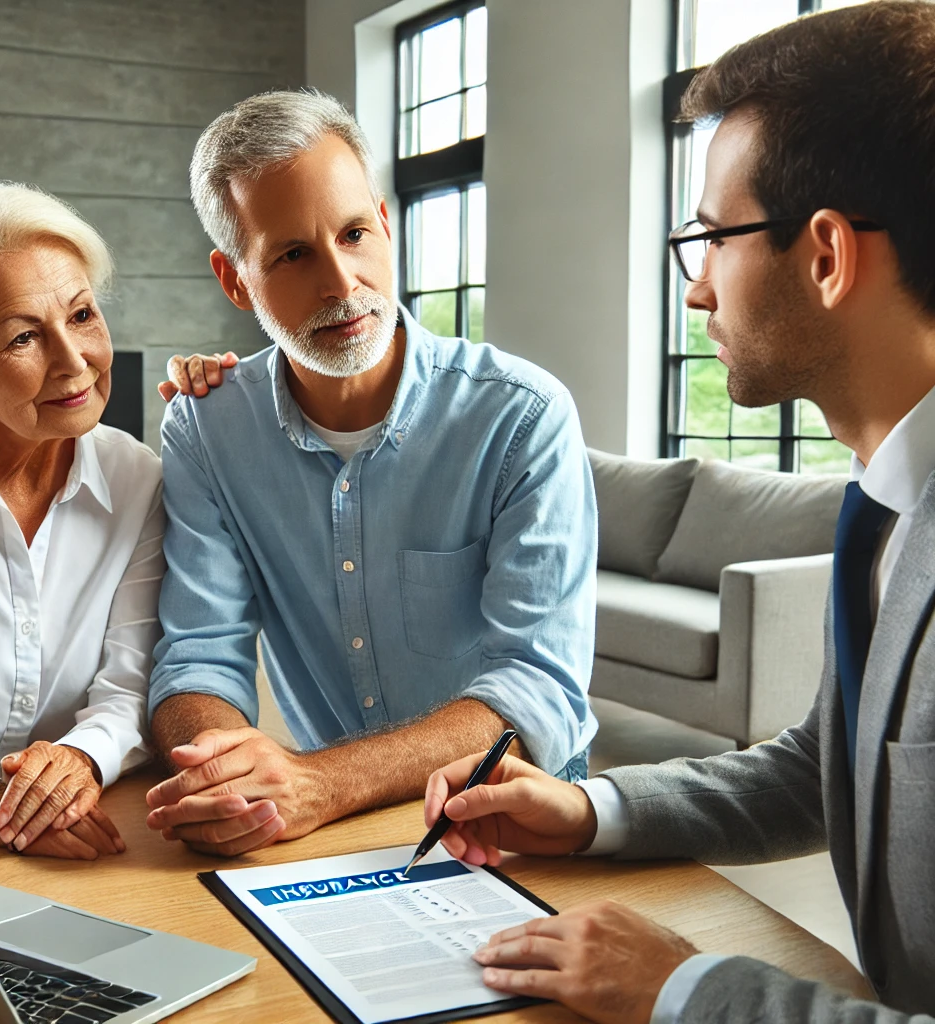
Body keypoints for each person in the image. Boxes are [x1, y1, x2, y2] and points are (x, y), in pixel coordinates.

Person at [424, 3, 935, 1022]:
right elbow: (822, 763)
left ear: (827, 255)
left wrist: (686, 985)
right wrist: (590, 809)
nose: (696, 289)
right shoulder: (885, 505)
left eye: (711, 235)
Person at [144, 89, 598, 858]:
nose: (341, 282)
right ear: (234, 280)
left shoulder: (522, 416)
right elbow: (198, 650)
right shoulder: (207, 425)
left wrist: (318, 783)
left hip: (512, 812)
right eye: (292, 255)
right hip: (322, 823)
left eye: (354, 234)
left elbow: (536, 687)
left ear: (385, 224)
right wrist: (222, 776)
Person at [0, 182, 164, 860]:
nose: (74, 361)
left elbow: (130, 686)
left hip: (69, 849)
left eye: (82, 315)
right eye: (25, 336)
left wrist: (80, 760)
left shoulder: (137, 478)